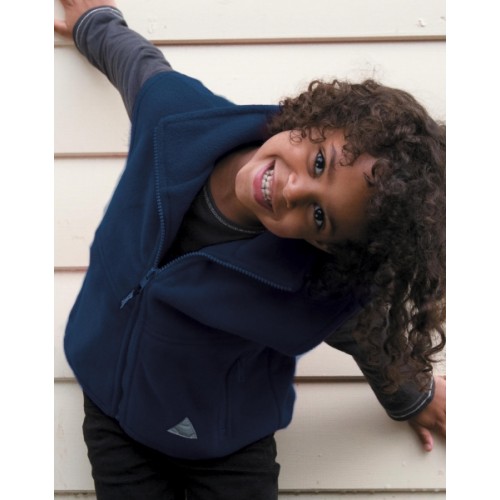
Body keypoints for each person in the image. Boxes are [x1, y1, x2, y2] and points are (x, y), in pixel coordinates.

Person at [55, 1, 446, 499]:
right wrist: (94, 20)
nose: (293, 189)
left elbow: (366, 334)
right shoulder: (176, 118)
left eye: (319, 216)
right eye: (319, 161)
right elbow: (136, 62)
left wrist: (414, 398)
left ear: (326, 244)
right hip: (114, 414)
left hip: (228, 441)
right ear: (318, 119)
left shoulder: (314, 283)